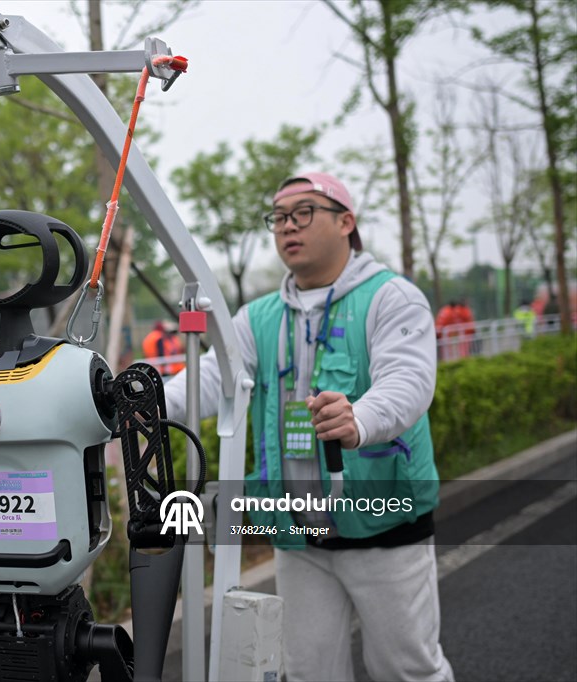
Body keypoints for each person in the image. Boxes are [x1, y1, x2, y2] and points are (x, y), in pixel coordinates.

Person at [165, 172, 454, 682]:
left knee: (407, 670)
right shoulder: (257, 318)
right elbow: (210, 381)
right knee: (307, 673)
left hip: (385, 528)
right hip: (298, 537)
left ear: (347, 222)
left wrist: (359, 418)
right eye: (278, 218)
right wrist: (137, 401)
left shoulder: (393, 299)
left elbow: (408, 381)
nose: (287, 227)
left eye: (303, 213)